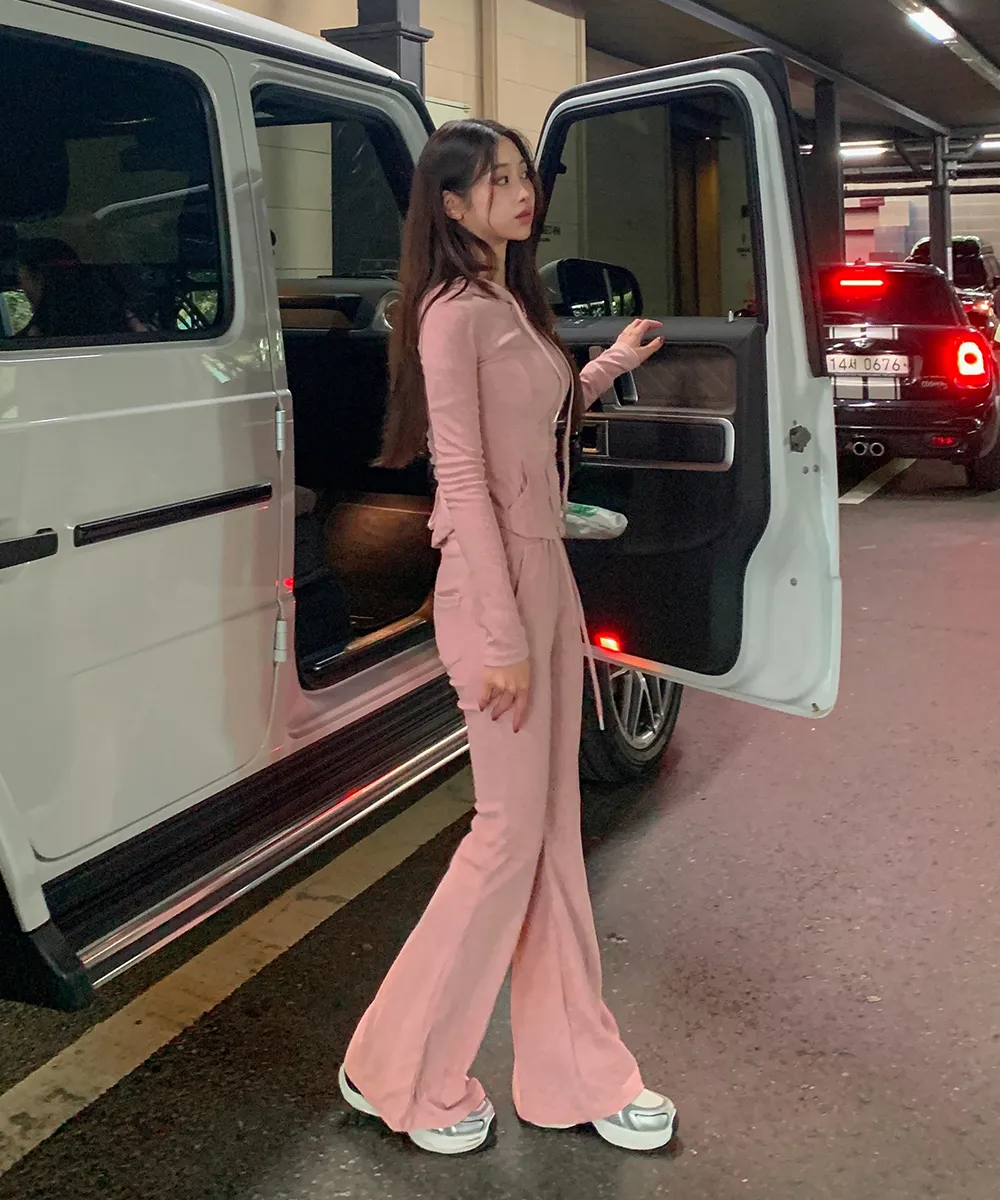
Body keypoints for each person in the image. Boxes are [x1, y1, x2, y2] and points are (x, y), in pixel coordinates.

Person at [337, 119, 676, 1157]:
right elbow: (464, 474)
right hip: (497, 591)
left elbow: (533, 424)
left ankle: (575, 1071)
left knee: (549, 836)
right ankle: (394, 1066)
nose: (521, 191)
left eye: (523, 174)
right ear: (451, 204)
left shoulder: (507, 303)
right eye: (496, 180)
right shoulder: (450, 314)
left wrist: (607, 364)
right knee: (506, 838)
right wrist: (501, 633)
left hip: (544, 579)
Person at [15, 238, 145, 339]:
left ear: (38, 278)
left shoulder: (32, 341)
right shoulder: (130, 326)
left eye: (22, 279)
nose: (22, 287)